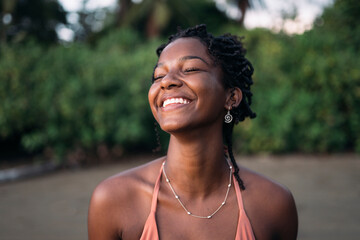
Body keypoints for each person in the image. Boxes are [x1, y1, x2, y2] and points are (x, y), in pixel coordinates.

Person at [88, 24, 298, 240]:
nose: (167, 82)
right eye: (159, 76)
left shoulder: (274, 204)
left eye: (190, 69)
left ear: (231, 98)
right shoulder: (113, 201)